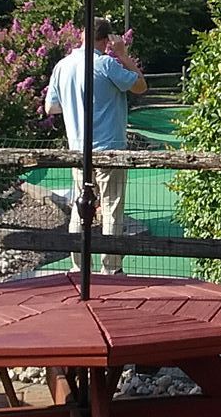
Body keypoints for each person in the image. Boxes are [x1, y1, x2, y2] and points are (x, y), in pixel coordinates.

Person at [45, 18, 147, 273]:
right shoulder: (106, 64)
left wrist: (75, 105)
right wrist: (123, 55)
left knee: (80, 207)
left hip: (78, 150)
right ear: (106, 40)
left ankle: (80, 267)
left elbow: (51, 107)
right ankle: (111, 269)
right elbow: (140, 86)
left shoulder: (62, 66)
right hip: (110, 148)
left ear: (81, 36)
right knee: (112, 208)